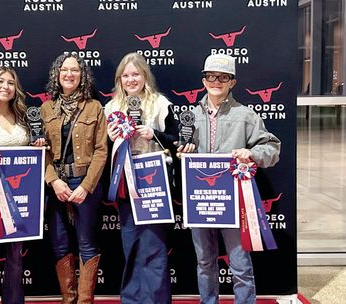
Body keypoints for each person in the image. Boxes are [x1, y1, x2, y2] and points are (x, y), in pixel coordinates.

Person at [190, 53, 281, 304]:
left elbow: (272, 149)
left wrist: (251, 153)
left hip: (233, 202)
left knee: (240, 262)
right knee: (204, 261)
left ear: (232, 82)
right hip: (200, 199)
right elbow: (181, 148)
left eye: (223, 77)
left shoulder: (246, 115)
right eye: (211, 76)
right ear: (204, 80)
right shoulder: (191, 115)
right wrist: (180, 150)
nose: (216, 81)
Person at [105, 52, 190, 304]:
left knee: (153, 243)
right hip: (124, 182)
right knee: (130, 242)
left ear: (145, 76)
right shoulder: (110, 108)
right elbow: (100, 151)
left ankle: (157, 299)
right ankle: (131, 299)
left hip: (155, 179)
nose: (131, 79)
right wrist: (111, 140)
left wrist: (154, 134)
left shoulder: (161, 104)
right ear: (119, 79)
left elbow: (177, 142)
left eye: (136, 74)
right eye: (126, 75)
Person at [0, 67, 45, 304]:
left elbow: (32, 155)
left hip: (21, 197)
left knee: (16, 258)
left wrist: (38, 146)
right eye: (0, 81)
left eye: (11, 83)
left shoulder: (25, 117)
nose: (5, 86)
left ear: (16, 89)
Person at [41, 53, 107, 304]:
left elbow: (102, 150)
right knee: (59, 243)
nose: (69, 74)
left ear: (83, 76)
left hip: (84, 185)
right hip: (56, 186)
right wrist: (53, 181)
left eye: (75, 70)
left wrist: (86, 186)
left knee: (87, 243)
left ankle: (84, 301)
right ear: (57, 75)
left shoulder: (94, 107)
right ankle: (68, 300)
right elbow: (41, 150)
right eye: (64, 70)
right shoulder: (45, 109)